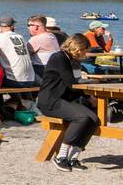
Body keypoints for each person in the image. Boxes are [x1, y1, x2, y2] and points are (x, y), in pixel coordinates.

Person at [38, 34, 99, 171]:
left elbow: (73, 84)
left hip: (64, 100)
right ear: (77, 47)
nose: (84, 54)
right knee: (82, 118)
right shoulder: (59, 58)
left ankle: (73, 157)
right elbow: (72, 84)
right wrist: (88, 97)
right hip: (50, 101)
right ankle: (61, 156)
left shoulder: (71, 59)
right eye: (84, 50)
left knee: (94, 120)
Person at [0, 17, 38, 88]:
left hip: (15, 81)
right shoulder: (20, 36)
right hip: (31, 80)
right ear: (12, 26)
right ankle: (23, 99)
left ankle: (0, 99)